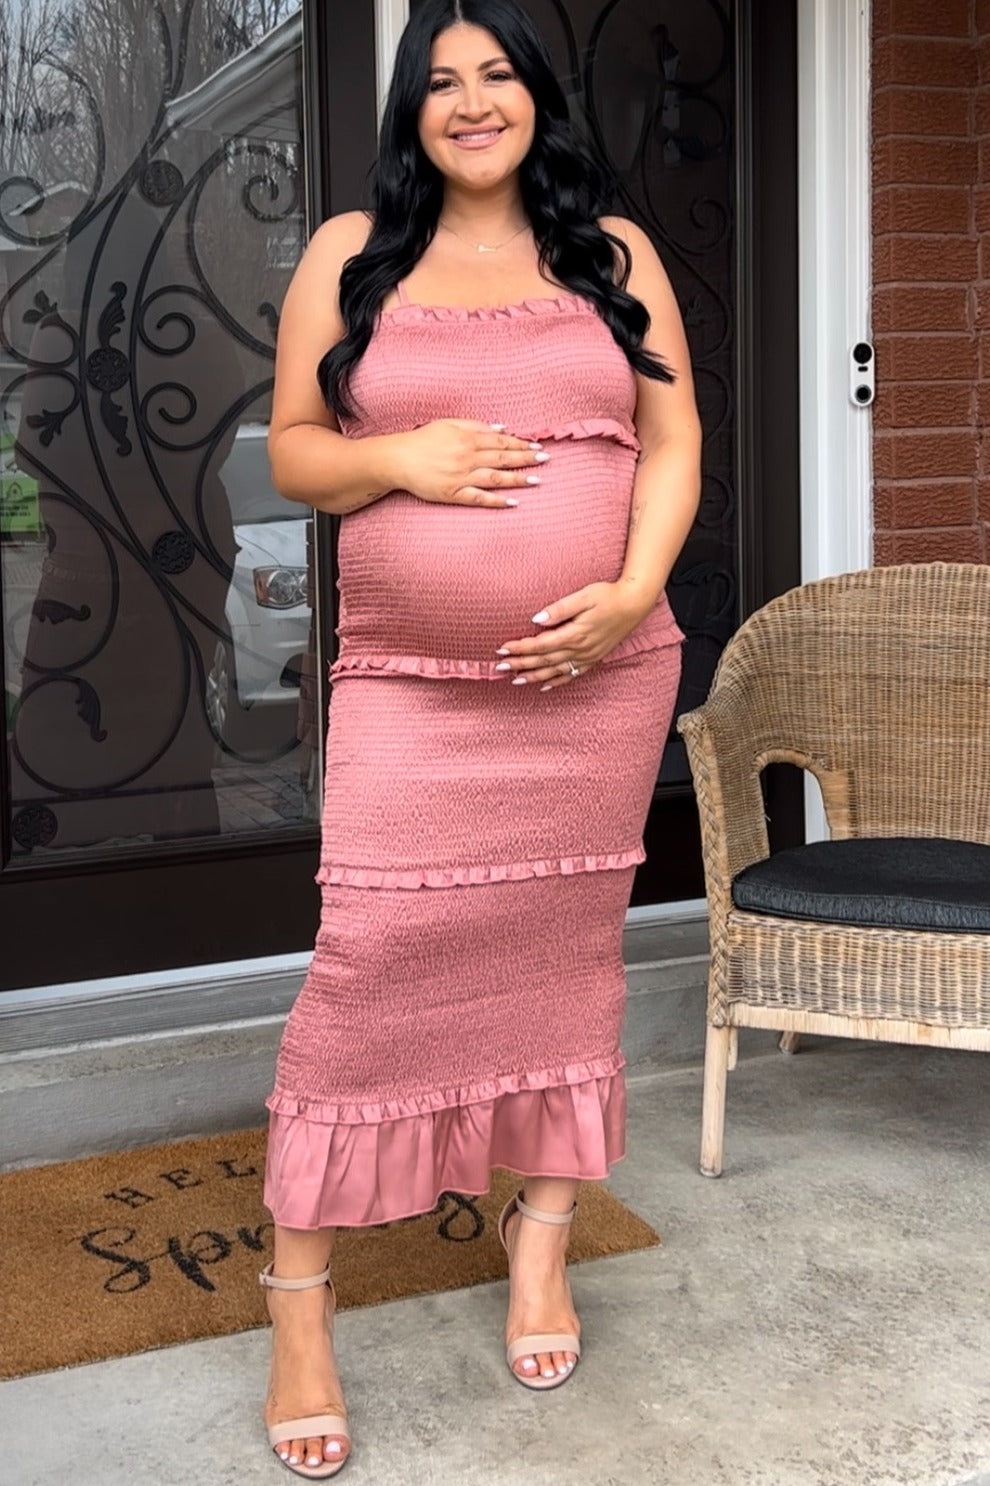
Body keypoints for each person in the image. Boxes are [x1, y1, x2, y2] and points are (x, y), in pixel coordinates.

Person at [260, 0, 701, 1476]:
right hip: (409, 687)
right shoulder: (352, 256)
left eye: (496, 75)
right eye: (440, 82)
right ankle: (300, 1302)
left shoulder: (610, 255)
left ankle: (540, 1242)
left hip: (594, 684)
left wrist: (628, 594)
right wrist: (403, 455)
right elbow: (295, 452)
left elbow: (673, 442)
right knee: (364, 969)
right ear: (411, 111)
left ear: (536, 97)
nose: (470, 102)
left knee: (562, 964)